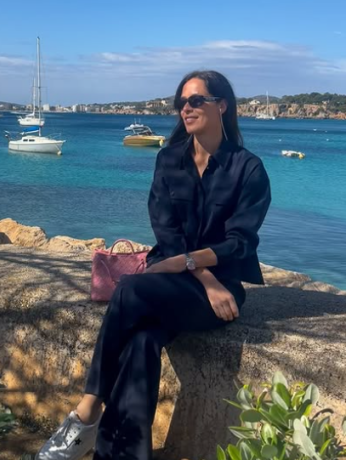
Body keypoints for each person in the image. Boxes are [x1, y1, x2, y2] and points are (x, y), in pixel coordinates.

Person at [36, 70, 271, 460]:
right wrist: (198, 271)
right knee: (143, 341)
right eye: (181, 102)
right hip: (173, 280)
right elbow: (166, 229)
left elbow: (240, 242)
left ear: (222, 106)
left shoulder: (248, 169)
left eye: (195, 100)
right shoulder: (169, 159)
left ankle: (87, 410)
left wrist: (205, 278)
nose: (185, 108)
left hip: (218, 291)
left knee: (129, 289)